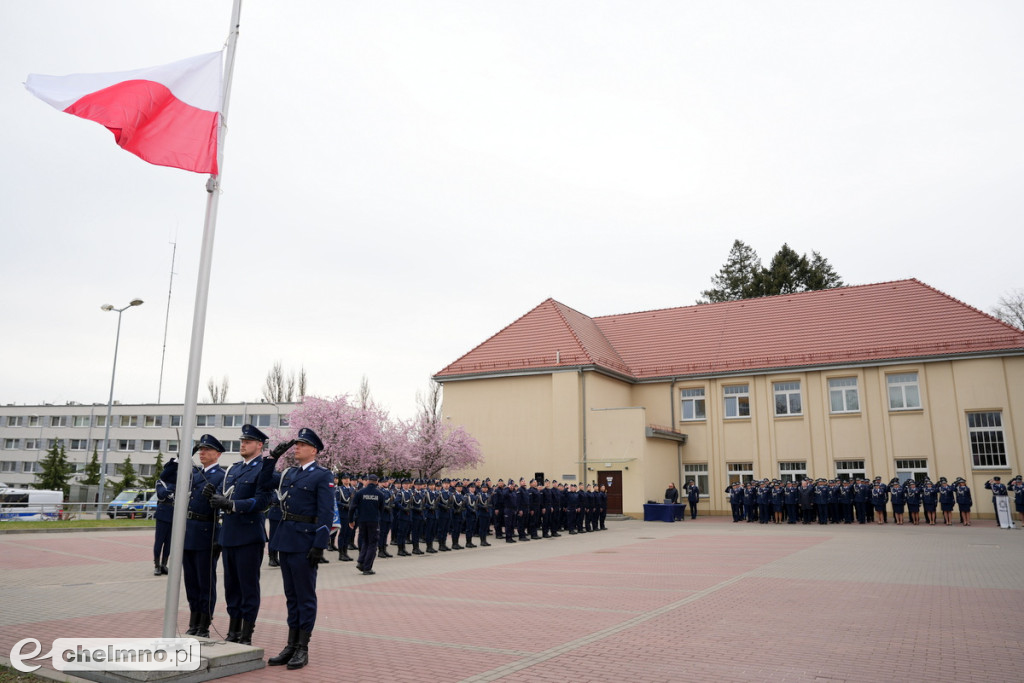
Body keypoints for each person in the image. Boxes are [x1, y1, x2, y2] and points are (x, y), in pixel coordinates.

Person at [261, 428, 334, 671]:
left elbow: (325, 512)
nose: (297, 448)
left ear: (313, 450)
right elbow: (264, 482)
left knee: (305, 596)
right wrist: (272, 458)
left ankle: (303, 647)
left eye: (302, 445)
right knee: (291, 596)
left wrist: (319, 545)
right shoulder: (289, 473)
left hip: (305, 542)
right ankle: (291, 645)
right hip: (286, 540)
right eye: (297, 444)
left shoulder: (322, 475)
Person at [206, 424, 273, 645]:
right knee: (231, 587)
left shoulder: (262, 469)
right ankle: (233, 630)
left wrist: (232, 504)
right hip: (229, 535)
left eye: (248, 442)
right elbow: (223, 496)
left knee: (248, 587)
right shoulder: (233, 470)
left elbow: (262, 501)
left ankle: (246, 633)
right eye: (242, 441)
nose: (243, 444)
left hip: (249, 536)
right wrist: (214, 496)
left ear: (259, 445)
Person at [177, 434, 226, 638]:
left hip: (207, 533)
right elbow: (169, 474)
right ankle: (194, 620)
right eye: (200, 449)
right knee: (191, 581)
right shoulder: (195, 474)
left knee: (205, 581)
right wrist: (186, 454)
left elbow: (223, 508)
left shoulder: (221, 476)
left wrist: (218, 538)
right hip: (189, 532)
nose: (202, 453)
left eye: (207, 450)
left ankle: (204, 623)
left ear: (218, 454)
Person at [349, 474, 384, 575]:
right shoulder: (380, 494)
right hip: (373, 521)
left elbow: (352, 508)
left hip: (362, 521)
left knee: (365, 541)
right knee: (372, 544)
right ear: (377, 482)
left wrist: (351, 520)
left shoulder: (360, 493)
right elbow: (381, 510)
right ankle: (367, 568)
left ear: (368, 481)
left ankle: (361, 562)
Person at [152, 458, 176, 576]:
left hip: (174, 515)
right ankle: (156, 565)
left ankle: (164, 564)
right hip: (163, 514)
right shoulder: (160, 482)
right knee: (159, 541)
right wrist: (172, 488)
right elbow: (161, 495)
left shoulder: (177, 482)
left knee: (169, 542)